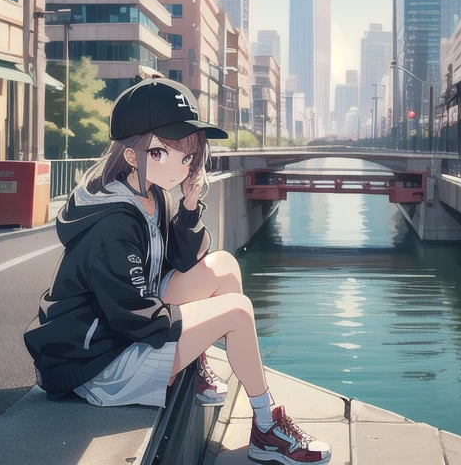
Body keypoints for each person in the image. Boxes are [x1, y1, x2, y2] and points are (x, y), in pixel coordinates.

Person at [23, 79, 331, 465]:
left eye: (188, 157)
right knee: (236, 312)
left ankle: (202, 368)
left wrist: (188, 206)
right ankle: (267, 427)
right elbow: (134, 318)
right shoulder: (113, 225)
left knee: (224, 267)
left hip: (118, 332)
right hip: (97, 364)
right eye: (164, 152)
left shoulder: (151, 195)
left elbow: (186, 262)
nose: (181, 166)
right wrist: (204, 327)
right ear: (133, 155)